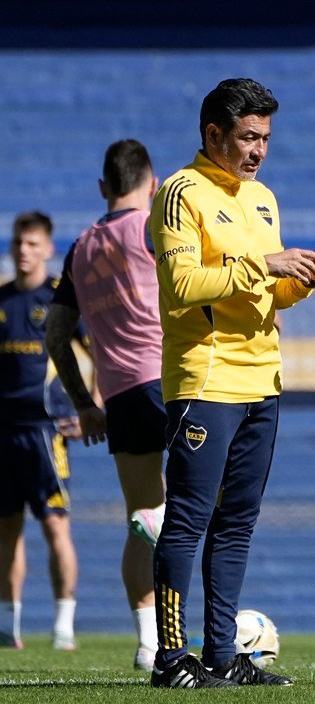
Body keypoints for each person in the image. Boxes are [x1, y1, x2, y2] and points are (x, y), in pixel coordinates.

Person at [148, 77, 315, 689]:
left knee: (236, 524)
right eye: (249, 137)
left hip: (262, 380)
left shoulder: (263, 199)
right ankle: (171, 658)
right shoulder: (180, 192)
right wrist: (265, 264)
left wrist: (299, 279)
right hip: (206, 380)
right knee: (188, 519)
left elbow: (265, 293)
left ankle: (222, 654)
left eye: (266, 139)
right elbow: (182, 285)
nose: (258, 150)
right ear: (213, 134)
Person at [45, 139, 167, 673]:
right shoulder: (155, 228)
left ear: (103, 188)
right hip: (173, 379)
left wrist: (84, 403)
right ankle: (213, 631)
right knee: (203, 504)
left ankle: (149, 643)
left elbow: (55, 333)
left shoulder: (80, 247)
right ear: (153, 183)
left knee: (140, 519)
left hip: (119, 395)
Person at [0, 211, 85, 651]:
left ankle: (63, 626)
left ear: (48, 249)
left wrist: (91, 408)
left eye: (33, 243)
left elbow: (98, 350)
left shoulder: (59, 298)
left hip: (46, 432)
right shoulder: (2, 299)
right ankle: (7, 627)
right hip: (4, 433)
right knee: (7, 530)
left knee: (55, 526)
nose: (24, 251)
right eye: (18, 242)